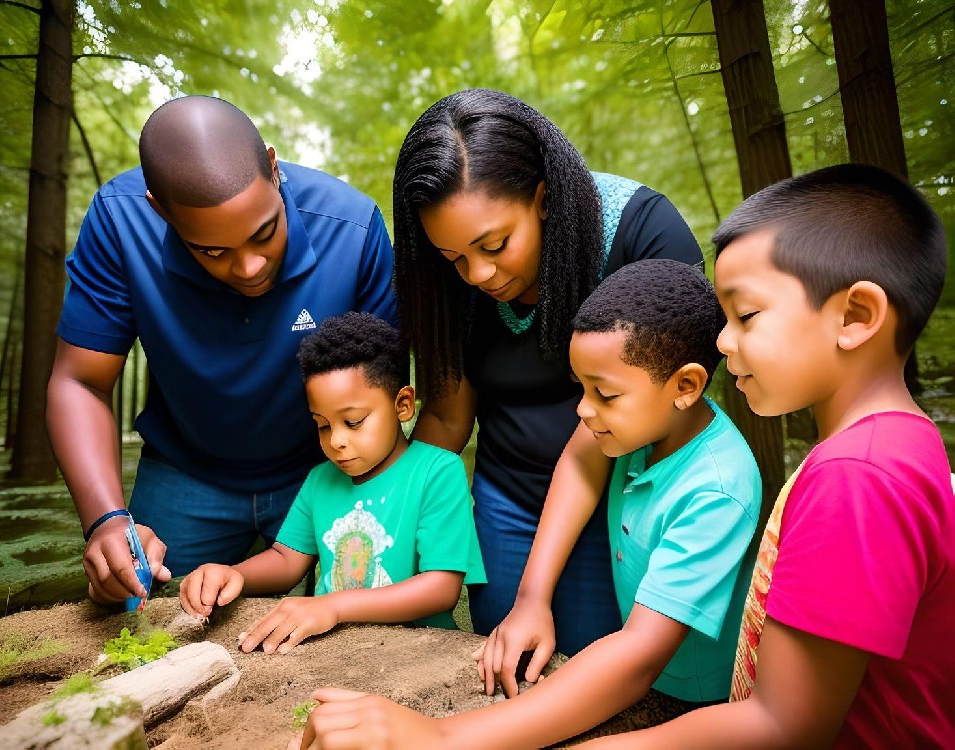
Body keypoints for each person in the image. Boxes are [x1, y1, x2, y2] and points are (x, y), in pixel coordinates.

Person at [297, 259, 763, 749]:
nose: (583, 410)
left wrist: (441, 738)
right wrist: (532, 599)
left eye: (603, 394)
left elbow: (639, 657)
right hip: (648, 676)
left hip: (698, 700)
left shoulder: (716, 489)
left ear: (685, 386)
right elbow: (578, 465)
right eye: (580, 388)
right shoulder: (647, 419)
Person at [47, 96, 397, 605]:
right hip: (185, 470)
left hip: (326, 471)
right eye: (213, 250)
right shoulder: (120, 222)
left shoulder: (353, 228)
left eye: (264, 233)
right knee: (144, 623)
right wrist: (107, 521)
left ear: (274, 170)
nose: (250, 267)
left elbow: (384, 400)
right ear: (158, 209)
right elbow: (80, 380)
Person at [392, 88, 704, 654]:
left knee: (596, 671)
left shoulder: (641, 233)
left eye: (495, 244)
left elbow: (610, 432)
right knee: (503, 664)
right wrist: (393, 509)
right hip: (505, 499)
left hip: (622, 499)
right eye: (454, 257)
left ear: (542, 196)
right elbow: (447, 413)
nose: (478, 275)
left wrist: (535, 595)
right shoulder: (451, 275)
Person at [180, 312, 486, 650]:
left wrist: (332, 606)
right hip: (333, 651)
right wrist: (235, 574)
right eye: (323, 425)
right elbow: (286, 560)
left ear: (403, 405)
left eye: (353, 422)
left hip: (417, 653)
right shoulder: (320, 479)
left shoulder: (437, 471)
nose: (336, 441)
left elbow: (441, 588)